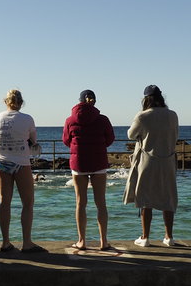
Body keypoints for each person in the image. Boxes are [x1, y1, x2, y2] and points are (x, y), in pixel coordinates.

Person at [124, 85, 180, 247]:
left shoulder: (142, 116)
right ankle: (169, 237)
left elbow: (131, 135)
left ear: (146, 99)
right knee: (168, 197)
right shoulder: (173, 115)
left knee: (145, 198)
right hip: (168, 160)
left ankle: (145, 237)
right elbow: (176, 135)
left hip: (147, 160)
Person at [63, 89, 115, 251]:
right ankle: (103, 242)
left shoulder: (70, 120)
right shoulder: (103, 119)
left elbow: (66, 140)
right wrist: (98, 147)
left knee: (80, 203)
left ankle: (82, 241)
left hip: (79, 164)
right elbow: (110, 139)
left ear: (79, 101)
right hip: (98, 163)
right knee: (101, 203)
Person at [0, 89, 43, 253]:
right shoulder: (27, 119)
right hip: (21, 161)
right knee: (27, 203)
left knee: (4, 201)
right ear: (21, 103)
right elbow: (33, 141)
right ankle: (26, 243)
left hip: (1, 161)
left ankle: (6, 242)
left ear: (6, 102)